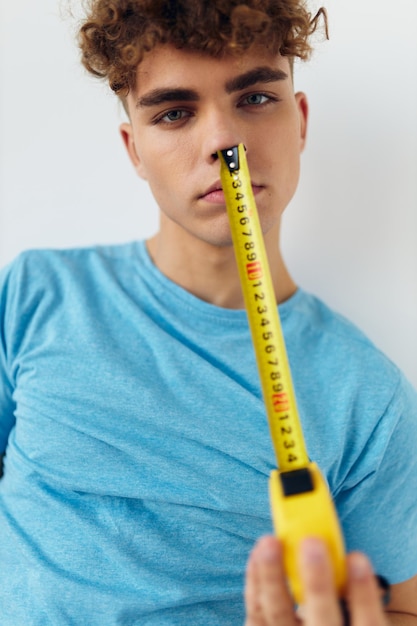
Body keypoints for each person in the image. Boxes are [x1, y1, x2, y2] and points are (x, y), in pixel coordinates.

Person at [0, 1, 416, 624]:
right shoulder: (37, 293)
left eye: (254, 100)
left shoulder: (372, 400)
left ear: (299, 123)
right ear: (134, 149)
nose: (223, 142)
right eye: (174, 113)